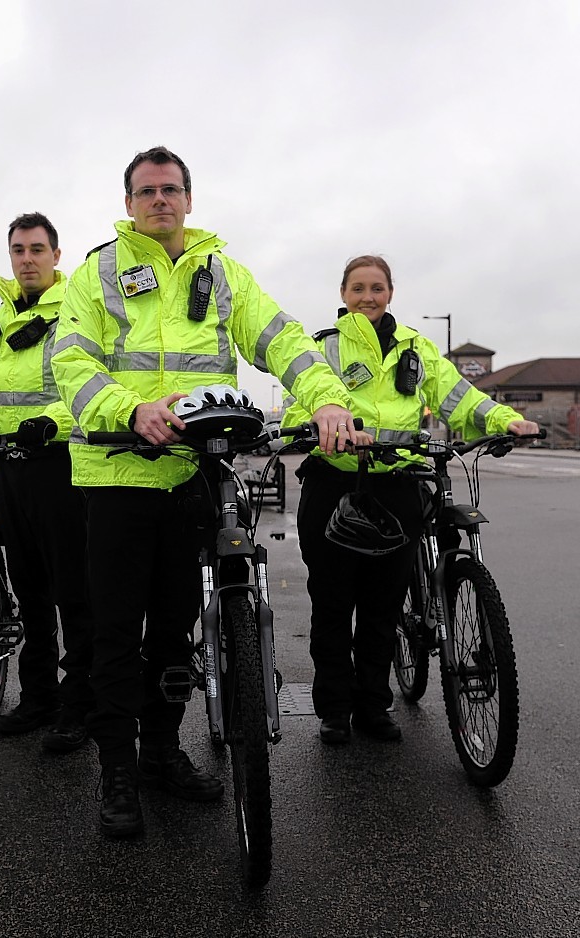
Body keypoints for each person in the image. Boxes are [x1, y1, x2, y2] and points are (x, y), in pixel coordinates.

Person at [51, 145, 357, 838]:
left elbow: (282, 340)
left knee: (174, 632)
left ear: (189, 199)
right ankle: (118, 772)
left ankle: (161, 754)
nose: (160, 200)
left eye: (171, 190)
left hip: (193, 477)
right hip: (117, 477)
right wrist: (129, 411)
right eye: (147, 191)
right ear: (129, 203)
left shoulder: (223, 272)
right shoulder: (96, 272)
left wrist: (328, 402)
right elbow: (70, 361)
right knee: (114, 637)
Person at [280, 254, 540, 745]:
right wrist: (316, 427)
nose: (368, 297)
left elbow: (458, 396)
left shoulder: (413, 348)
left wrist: (504, 420)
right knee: (333, 606)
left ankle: (373, 706)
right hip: (336, 485)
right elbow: (301, 399)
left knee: (382, 606)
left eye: (377, 288)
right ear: (342, 294)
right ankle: (334, 709)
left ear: (391, 293)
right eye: (357, 288)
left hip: (397, 485)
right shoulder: (322, 348)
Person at [0, 212, 94, 751]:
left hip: (59, 463)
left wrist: (51, 425)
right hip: (9, 468)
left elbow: (86, 384)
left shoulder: (75, 309)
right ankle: (39, 696)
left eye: (37, 250)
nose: (27, 259)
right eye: (19, 250)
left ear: (56, 255)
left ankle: (79, 702)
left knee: (73, 588)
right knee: (29, 590)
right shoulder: (0, 317)